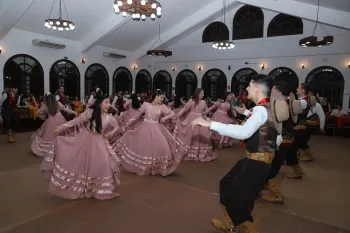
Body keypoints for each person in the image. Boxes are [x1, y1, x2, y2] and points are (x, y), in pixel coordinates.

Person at [192, 74, 287, 233]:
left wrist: (210, 123)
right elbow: (277, 136)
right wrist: (246, 113)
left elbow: (244, 132)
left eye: (249, 85)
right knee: (227, 185)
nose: (247, 88)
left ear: (257, 89)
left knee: (239, 201)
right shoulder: (268, 108)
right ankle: (231, 224)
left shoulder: (260, 110)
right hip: (256, 160)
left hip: (256, 163)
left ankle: (247, 229)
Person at [44, 92, 122, 200]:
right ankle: (86, 186)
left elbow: (116, 126)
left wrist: (111, 133)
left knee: (104, 162)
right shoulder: (90, 113)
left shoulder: (109, 117)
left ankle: (101, 188)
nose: (109, 105)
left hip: (100, 142)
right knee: (85, 163)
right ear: (99, 104)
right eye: (106, 102)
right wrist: (60, 128)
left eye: (109, 102)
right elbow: (76, 121)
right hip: (87, 139)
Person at [112, 89, 184, 176]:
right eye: (161, 97)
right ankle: (146, 167)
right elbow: (136, 116)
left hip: (157, 128)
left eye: (163, 97)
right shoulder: (146, 105)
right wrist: (127, 124)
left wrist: (164, 118)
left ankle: (156, 167)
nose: (162, 99)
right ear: (156, 96)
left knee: (163, 146)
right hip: (145, 128)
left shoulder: (162, 107)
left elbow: (172, 113)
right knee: (146, 148)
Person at [262, 83, 301, 204]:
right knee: (271, 167)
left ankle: (277, 194)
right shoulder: (287, 104)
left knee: (270, 169)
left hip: (281, 143)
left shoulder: (280, 106)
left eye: (273, 91)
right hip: (287, 140)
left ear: (278, 93)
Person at [174, 88, 216, 162]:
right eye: (201, 93)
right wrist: (178, 114)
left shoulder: (203, 102)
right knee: (191, 135)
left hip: (200, 119)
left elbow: (205, 111)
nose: (203, 95)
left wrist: (208, 111)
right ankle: (190, 154)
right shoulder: (191, 101)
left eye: (203, 93)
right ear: (197, 93)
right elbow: (184, 109)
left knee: (203, 135)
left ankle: (200, 154)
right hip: (192, 120)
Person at [31, 92, 77, 157]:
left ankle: (52, 149)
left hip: (50, 121)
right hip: (60, 119)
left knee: (49, 136)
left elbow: (38, 113)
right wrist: (74, 112)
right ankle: (60, 148)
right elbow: (65, 109)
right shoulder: (57, 103)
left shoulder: (45, 104)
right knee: (62, 134)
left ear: (46, 98)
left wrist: (43, 118)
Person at [286, 83, 315, 178]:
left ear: (303, 90)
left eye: (298, 88)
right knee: (299, 145)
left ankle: (297, 172)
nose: (297, 89)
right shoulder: (302, 101)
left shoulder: (302, 102)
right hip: (299, 128)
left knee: (291, 150)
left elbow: (290, 111)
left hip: (298, 129)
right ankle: (297, 170)